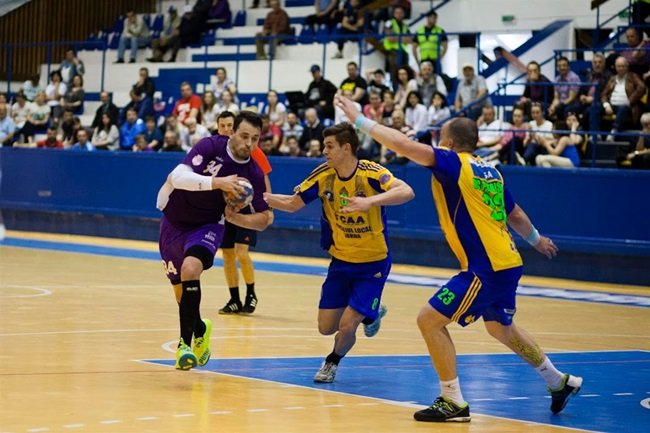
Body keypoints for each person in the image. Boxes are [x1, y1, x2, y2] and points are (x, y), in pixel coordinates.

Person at [335, 94, 583, 422]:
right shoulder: (490, 171)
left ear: (449, 143)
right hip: (508, 261)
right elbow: (515, 214)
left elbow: (404, 147)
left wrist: (359, 120)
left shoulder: (453, 162)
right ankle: (558, 381)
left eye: (440, 139)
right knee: (501, 329)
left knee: (429, 319)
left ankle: (452, 400)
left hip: (485, 268)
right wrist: (536, 240)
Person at [265, 122, 414, 383]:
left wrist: (369, 201)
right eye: (324, 146)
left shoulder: (371, 173)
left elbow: (406, 191)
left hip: (373, 263)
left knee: (347, 325)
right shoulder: (323, 175)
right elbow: (291, 203)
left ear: (346, 148)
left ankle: (332, 361)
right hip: (341, 261)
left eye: (329, 146)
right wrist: (261, 198)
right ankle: (371, 312)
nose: (324, 151)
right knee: (326, 327)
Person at [156, 110, 273, 369]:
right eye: (244, 136)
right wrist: (218, 183)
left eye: (255, 139)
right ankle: (200, 329)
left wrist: (236, 218)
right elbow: (177, 177)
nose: (249, 144)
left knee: (191, 269)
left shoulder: (253, 173)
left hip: (207, 225)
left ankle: (184, 346)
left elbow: (265, 218)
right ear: (232, 133)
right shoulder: (210, 146)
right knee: (181, 293)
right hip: (174, 221)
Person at [216, 110, 273, 315]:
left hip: (248, 210)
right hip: (226, 209)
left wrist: (268, 207)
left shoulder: (250, 149)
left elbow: (264, 177)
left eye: (229, 125)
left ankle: (251, 293)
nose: (226, 129)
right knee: (227, 255)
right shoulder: (217, 150)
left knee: (241, 252)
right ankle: (234, 299)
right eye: (222, 126)